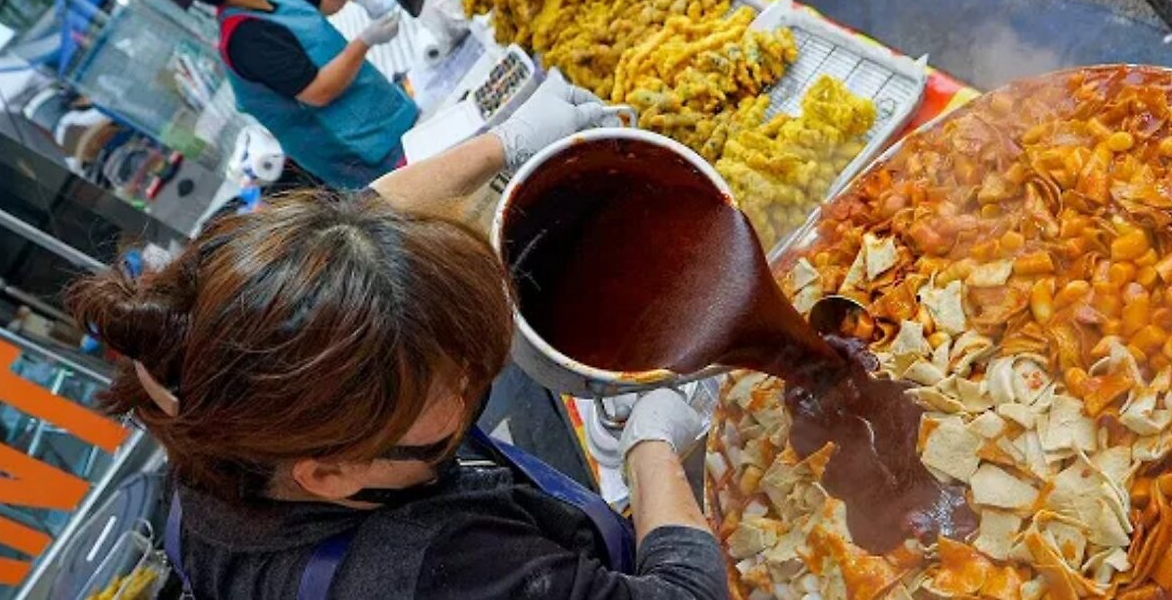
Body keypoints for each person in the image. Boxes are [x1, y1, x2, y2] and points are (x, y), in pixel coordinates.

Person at [67, 73, 726, 600]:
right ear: (329, 473)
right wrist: (648, 448)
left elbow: (361, 223)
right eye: (447, 419)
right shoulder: (437, 570)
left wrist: (505, 143)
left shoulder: (222, 422)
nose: (471, 391)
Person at [190, 0, 422, 188]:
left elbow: (329, 2)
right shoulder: (245, 40)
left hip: (385, 110)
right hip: (360, 149)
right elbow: (318, 92)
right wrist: (365, 41)